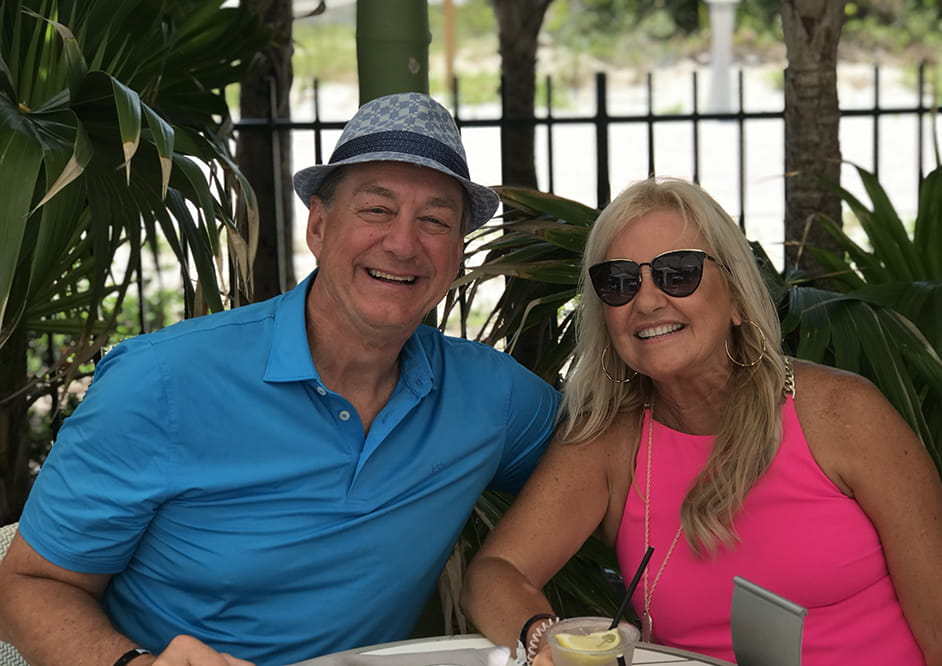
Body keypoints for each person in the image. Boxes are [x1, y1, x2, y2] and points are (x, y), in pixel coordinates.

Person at [0, 92, 561, 666]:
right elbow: (27, 587)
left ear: (458, 253)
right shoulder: (161, 382)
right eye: (376, 209)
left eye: (436, 220)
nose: (402, 243)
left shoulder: (491, 396)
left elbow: (619, 455)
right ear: (318, 225)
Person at [459, 177, 942, 666]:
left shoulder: (840, 413)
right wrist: (541, 641)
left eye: (679, 273)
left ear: (736, 296)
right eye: (619, 281)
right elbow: (496, 573)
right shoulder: (610, 442)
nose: (646, 299)